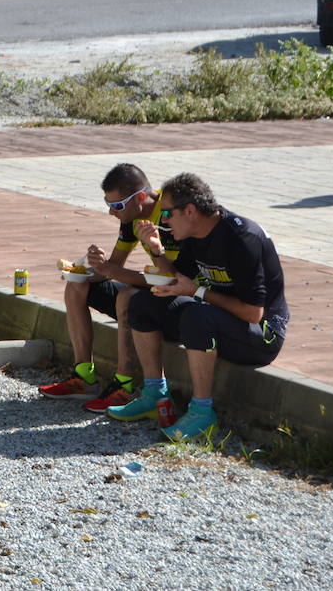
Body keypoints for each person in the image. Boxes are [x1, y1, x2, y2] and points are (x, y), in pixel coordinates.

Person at [106, 173, 289, 441]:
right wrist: (156, 250)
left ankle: (203, 413)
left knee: (197, 313)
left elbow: (253, 313)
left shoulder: (241, 238)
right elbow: (176, 279)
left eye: (167, 213)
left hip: (262, 335)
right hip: (222, 319)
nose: (163, 220)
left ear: (190, 211)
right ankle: (154, 394)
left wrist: (198, 292)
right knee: (143, 302)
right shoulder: (194, 233)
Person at [38, 163, 179, 413]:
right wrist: (86, 268)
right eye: (108, 204)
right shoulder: (132, 217)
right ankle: (83, 377)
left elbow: (173, 280)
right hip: (160, 290)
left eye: (116, 206)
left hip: (183, 298)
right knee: (76, 286)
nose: (111, 213)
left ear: (141, 198)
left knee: (127, 296)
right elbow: (115, 266)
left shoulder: (169, 214)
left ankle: (123, 386)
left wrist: (112, 271)